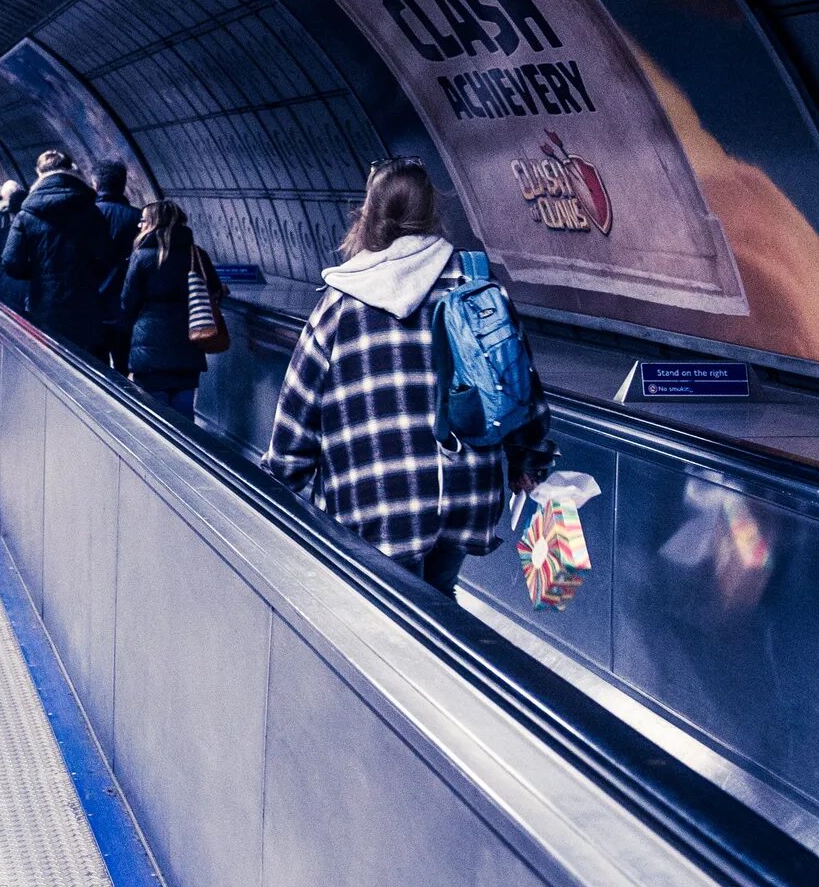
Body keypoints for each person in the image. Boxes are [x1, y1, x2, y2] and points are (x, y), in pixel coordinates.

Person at [262, 161, 554, 595]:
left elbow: (298, 406)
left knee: (392, 616)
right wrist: (528, 458)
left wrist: (282, 479)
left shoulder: (341, 301)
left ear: (368, 214)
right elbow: (517, 381)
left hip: (375, 494)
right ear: (433, 211)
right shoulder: (475, 285)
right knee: (439, 597)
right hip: (465, 488)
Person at [0, 150, 116, 360]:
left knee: (49, 365)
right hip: (86, 307)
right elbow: (105, 257)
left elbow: (10, 263)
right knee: (89, 371)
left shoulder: (26, 214)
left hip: (44, 304)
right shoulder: (91, 211)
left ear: (38, 173)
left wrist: (38, 272)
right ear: (71, 170)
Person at [119, 200, 205, 419]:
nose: (139, 226)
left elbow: (128, 302)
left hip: (150, 351)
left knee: (153, 416)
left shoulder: (141, 257)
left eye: (143, 221)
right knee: (184, 415)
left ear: (153, 223)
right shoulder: (196, 254)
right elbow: (212, 289)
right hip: (189, 343)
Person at [95, 162, 142, 260]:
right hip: (125, 273)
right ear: (124, 185)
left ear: (96, 185)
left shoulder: (83, 212)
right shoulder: (139, 216)